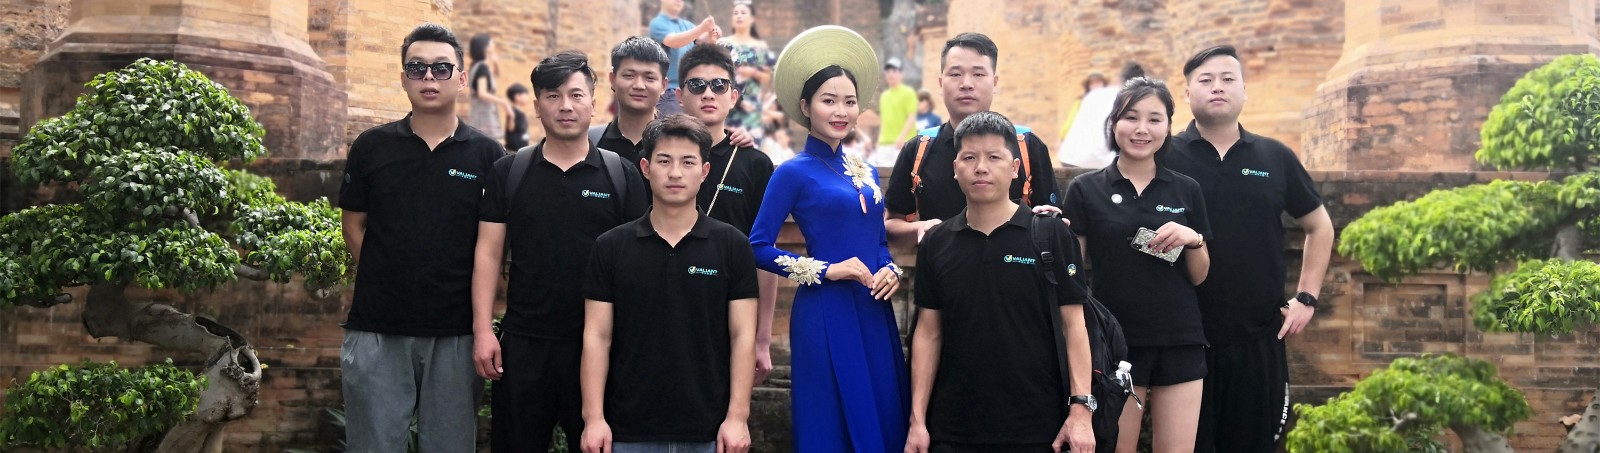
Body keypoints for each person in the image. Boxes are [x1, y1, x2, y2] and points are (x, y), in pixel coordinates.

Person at [471, 50, 650, 453]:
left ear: (593, 103)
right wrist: (483, 330)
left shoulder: (620, 174)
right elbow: (488, 253)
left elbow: (639, 264)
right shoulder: (510, 172)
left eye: (575, 95)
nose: (565, 106)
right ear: (536, 106)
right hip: (525, 342)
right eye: (552, 96)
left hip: (600, 346)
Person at [337, 23, 502, 453]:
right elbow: (353, 224)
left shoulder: (488, 156)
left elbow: (492, 246)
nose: (429, 77)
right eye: (417, 68)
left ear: (461, 79)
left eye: (441, 68)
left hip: (456, 332)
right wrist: (385, 274)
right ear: (403, 78)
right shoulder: (372, 147)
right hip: (377, 327)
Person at [1163, 45, 1334, 453]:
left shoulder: (1274, 156)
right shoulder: (1164, 155)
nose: (1217, 87)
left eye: (1228, 79)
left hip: (1258, 336)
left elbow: (1320, 227)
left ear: (1244, 89)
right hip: (1184, 337)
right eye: (1205, 80)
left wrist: (1307, 297)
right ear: (1187, 93)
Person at [753, 25, 908, 452]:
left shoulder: (866, 170)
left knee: (883, 412)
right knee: (830, 422)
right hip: (824, 310)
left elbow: (878, 241)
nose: (841, 111)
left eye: (849, 101)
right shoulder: (792, 172)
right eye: (828, 100)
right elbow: (757, 246)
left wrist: (891, 270)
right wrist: (826, 270)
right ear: (805, 106)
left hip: (873, 307)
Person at [904, 111, 1096, 453]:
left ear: (1015, 168)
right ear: (955, 168)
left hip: (1039, 427)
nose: (981, 167)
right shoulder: (937, 242)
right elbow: (929, 332)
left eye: (994, 157)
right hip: (953, 427)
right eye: (969, 158)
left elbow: (1074, 325)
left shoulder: (1050, 235)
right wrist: (917, 421)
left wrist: (1080, 412)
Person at [578, 114, 757, 453]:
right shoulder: (611, 246)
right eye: (664, 161)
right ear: (646, 168)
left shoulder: (732, 245)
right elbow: (597, 336)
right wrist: (593, 418)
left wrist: (738, 417)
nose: (675, 173)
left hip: (709, 430)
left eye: (688, 162)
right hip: (627, 430)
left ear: (704, 171)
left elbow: (743, 335)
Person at [1061, 77, 1210, 453]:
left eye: (1154, 119)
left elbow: (1199, 275)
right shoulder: (1086, 189)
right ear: (1114, 123)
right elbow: (1072, 277)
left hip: (1180, 339)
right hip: (1115, 343)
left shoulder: (1186, 189)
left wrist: (1193, 238)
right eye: (1131, 117)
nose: (1142, 129)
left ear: (1168, 127)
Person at [884, 32, 1060, 248]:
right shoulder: (919, 149)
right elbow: (891, 223)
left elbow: (1052, 217)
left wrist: (1050, 222)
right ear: (940, 82)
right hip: (942, 266)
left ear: (994, 82)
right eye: (955, 74)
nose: (966, 84)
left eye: (978, 74)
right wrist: (921, 229)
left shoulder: (1026, 145)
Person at [676, 44, 782, 384]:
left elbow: (765, 254)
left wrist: (762, 338)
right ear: (679, 95)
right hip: (667, 305)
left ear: (733, 96)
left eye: (719, 85)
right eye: (697, 85)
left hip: (731, 312)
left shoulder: (754, 163)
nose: (708, 93)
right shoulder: (662, 156)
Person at [594, 37, 757, 167]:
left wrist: (733, 139)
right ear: (612, 79)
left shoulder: (678, 141)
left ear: (664, 85)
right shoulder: (592, 142)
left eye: (649, 77)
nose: (639, 85)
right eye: (629, 75)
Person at [1060, 63, 1144, 169]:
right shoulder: (1128, 100)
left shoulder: (1094, 95)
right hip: (1097, 164)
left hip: (1068, 157)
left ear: (1120, 79)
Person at [650, 0, 720, 116]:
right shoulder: (657, 23)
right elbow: (673, 41)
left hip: (690, 90)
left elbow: (701, 40)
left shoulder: (687, 25)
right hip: (668, 92)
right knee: (672, 127)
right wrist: (702, 28)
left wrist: (712, 33)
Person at [723, 0, 775, 141]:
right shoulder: (723, 43)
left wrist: (753, 73)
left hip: (752, 105)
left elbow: (767, 79)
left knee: (750, 145)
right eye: (735, 13)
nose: (739, 16)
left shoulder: (760, 46)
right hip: (727, 102)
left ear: (752, 19)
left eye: (743, 13)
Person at [467, 33, 512, 145]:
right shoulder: (482, 67)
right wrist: (504, 102)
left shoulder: (479, 66)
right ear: (486, 47)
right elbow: (482, 93)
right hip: (483, 116)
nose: (493, 44)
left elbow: (495, 76)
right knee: (490, 146)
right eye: (491, 42)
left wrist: (495, 63)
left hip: (482, 113)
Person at [872, 57, 917, 168]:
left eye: (894, 71)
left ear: (901, 74)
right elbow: (884, 120)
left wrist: (902, 137)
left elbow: (911, 117)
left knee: (901, 174)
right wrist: (878, 140)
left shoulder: (908, 92)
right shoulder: (884, 96)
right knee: (882, 173)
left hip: (903, 143)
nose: (891, 74)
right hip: (884, 144)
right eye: (888, 71)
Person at [1058, 73, 1109, 141]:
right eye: (1092, 83)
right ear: (1088, 86)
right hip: (1084, 136)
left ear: (1103, 84)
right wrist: (1063, 137)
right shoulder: (1081, 102)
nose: (1096, 86)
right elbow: (1071, 119)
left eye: (1098, 82)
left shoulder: (1110, 100)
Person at [506, 83, 530, 151]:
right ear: (517, 97)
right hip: (514, 150)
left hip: (522, 148)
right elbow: (510, 129)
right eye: (525, 95)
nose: (527, 98)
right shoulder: (513, 112)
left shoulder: (521, 113)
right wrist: (511, 116)